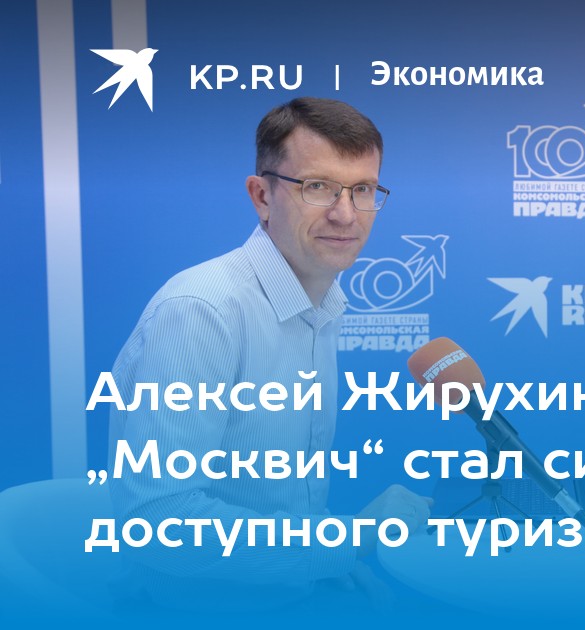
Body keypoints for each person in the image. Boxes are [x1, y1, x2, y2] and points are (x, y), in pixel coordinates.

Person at [106, 97, 429, 612]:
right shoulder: (203, 310)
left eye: (363, 189)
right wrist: (348, 540)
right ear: (262, 196)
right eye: (317, 187)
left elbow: (275, 502)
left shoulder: (321, 303)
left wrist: (325, 563)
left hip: (285, 597)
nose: (346, 214)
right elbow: (161, 522)